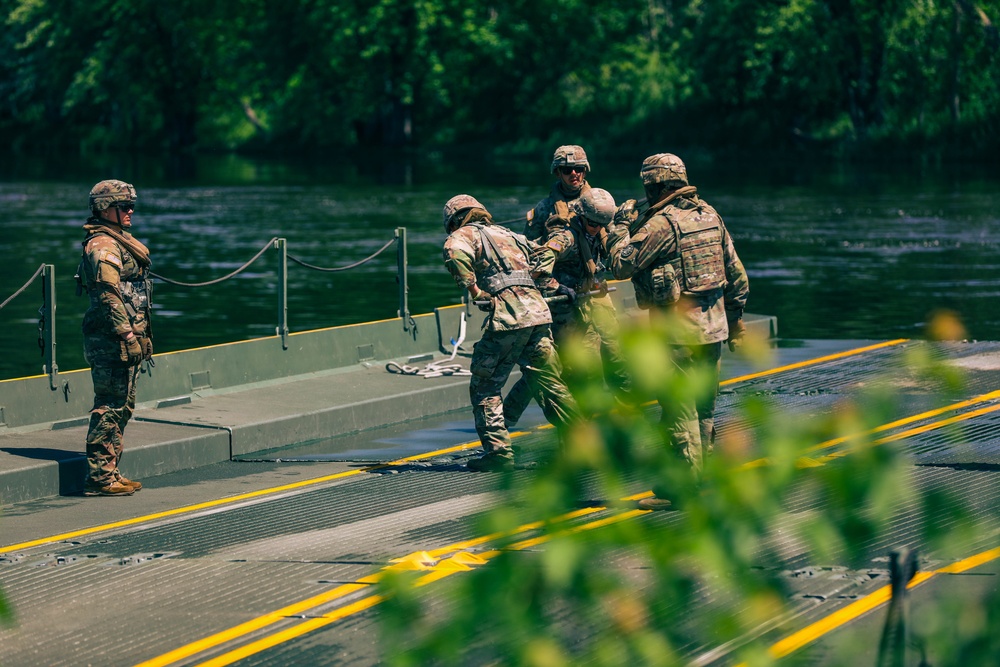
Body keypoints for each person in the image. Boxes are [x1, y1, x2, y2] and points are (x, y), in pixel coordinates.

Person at [601, 154, 749, 509]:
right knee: (705, 410)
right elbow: (737, 274)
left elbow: (621, 265)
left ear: (659, 186)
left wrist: (620, 227)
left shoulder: (662, 225)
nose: (647, 194)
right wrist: (736, 322)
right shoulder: (710, 215)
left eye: (649, 188)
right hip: (712, 331)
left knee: (678, 412)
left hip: (677, 337)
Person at [441, 194, 582, 471]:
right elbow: (540, 257)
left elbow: (453, 253)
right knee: (550, 384)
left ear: (456, 219)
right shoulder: (509, 235)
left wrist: (475, 291)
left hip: (507, 318)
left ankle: (498, 454)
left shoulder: (464, 235)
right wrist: (554, 286)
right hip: (539, 315)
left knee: (486, 385)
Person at [503, 188, 633, 428]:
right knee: (546, 369)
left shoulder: (595, 232)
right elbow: (540, 264)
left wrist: (593, 281)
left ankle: (586, 420)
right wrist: (556, 285)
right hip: (561, 314)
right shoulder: (568, 237)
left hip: (582, 310)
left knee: (583, 367)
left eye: (601, 224)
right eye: (592, 223)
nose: (596, 227)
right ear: (582, 217)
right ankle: (506, 418)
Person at [77, 179, 154, 496]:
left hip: (125, 336)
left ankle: (110, 472)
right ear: (105, 209)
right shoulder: (104, 246)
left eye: (131, 205)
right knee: (109, 407)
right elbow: (109, 296)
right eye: (124, 206)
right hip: (111, 339)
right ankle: (99, 478)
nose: (130, 211)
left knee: (122, 406)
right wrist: (126, 334)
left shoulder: (118, 240)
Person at [523, 145, 593, 243]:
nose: (573, 173)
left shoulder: (599, 202)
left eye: (579, 169)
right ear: (558, 173)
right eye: (567, 170)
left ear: (584, 172)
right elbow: (528, 245)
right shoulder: (544, 208)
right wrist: (545, 238)